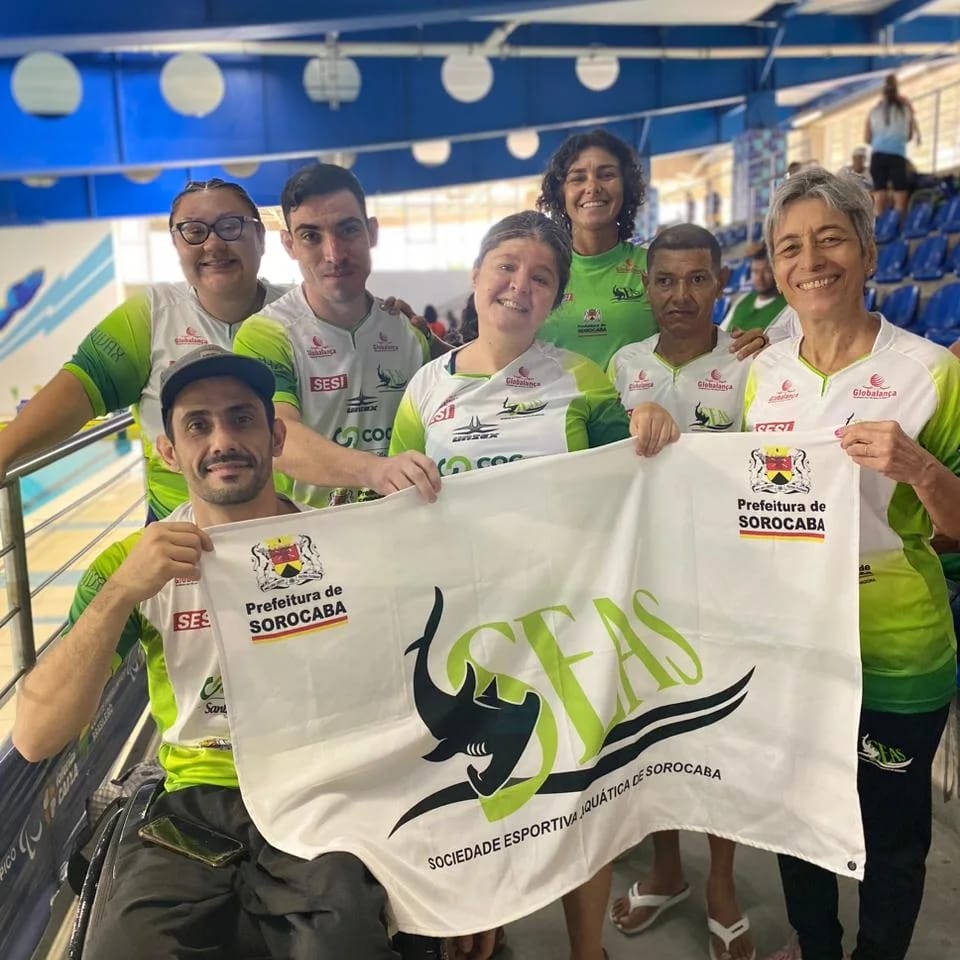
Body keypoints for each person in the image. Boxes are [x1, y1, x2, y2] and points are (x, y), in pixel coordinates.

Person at [11, 346, 493, 960]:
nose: (223, 441)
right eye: (198, 425)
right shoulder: (130, 566)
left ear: (275, 437)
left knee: (340, 945)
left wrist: (465, 876)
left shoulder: (347, 547)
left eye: (241, 418)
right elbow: (35, 736)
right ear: (168, 452)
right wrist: (120, 595)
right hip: (194, 804)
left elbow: (415, 707)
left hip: (326, 796)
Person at [632, 168, 960, 960]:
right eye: (790, 248)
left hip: (895, 649)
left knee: (891, 836)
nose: (811, 261)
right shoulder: (764, 375)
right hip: (790, 646)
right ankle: (815, 944)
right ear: (774, 271)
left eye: (831, 240)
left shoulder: (930, 370)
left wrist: (920, 469)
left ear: (869, 252)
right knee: (795, 816)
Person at [390, 210, 630, 960]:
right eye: (507, 267)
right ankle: (481, 920)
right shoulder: (426, 388)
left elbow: (633, 489)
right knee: (480, 790)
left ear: (556, 298)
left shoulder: (584, 380)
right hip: (468, 629)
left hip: (568, 621)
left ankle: (586, 951)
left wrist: (654, 426)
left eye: (541, 277)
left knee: (580, 793)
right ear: (476, 275)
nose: (520, 286)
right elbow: (392, 510)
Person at [607, 224, 755, 960]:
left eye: (698, 279)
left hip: (726, 579)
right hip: (644, 578)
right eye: (666, 280)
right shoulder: (623, 365)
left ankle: (722, 882)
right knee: (655, 732)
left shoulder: (755, 364)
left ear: (721, 283)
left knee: (722, 733)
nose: (681, 295)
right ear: (647, 286)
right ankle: (667, 869)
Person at [0, 178, 288, 520]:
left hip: (291, 519)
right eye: (194, 231)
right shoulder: (151, 315)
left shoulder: (298, 314)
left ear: (260, 236)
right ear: (176, 244)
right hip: (181, 528)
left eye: (230, 226)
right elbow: (80, 387)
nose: (213, 243)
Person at [233, 162, 443, 509]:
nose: (334, 253)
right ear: (289, 244)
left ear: (372, 232)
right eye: (311, 236)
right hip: (306, 528)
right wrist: (375, 470)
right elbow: (280, 437)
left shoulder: (407, 332)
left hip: (400, 522)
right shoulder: (265, 334)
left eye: (348, 230)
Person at [535, 129, 766, 372]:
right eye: (578, 178)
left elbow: (696, 340)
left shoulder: (657, 268)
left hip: (646, 398)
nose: (592, 187)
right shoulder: (542, 272)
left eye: (607, 175)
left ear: (626, 187)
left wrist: (742, 345)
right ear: (561, 193)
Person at [865, 73, 920, 219]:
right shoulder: (906, 109)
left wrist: (881, 138)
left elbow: (867, 138)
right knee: (900, 192)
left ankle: (881, 226)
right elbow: (909, 136)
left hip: (878, 155)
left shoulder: (874, 111)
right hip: (897, 155)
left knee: (880, 192)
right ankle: (897, 225)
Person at [721, 245, 792, 339]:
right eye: (755, 271)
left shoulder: (789, 306)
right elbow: (722, 332)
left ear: (776, 273)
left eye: (767, 271)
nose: (759, 277)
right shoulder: (744, 299)